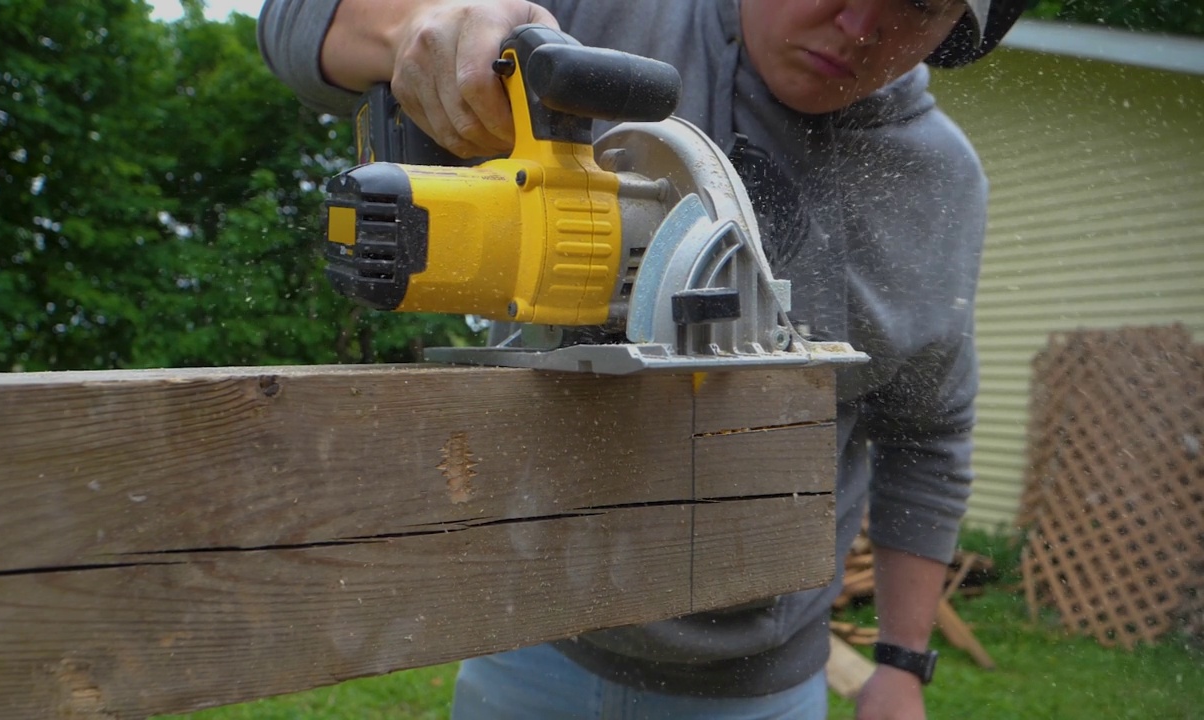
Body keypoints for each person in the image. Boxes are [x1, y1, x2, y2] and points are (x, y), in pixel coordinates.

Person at [257, 1, 1026, 718]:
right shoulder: (606, 14)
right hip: (537, 634)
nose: (859, 23)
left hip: (761, 680)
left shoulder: (941, 183)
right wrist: (420, 30)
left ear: (965, 24)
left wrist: (900, 661)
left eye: (917, 4)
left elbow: (928, 432)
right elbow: (292, 20)